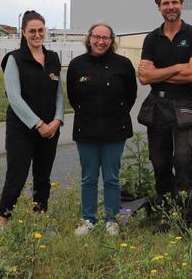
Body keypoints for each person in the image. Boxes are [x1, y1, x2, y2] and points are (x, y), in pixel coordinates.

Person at [137, 0, 192, 226]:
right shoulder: (151, 38)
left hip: (185, 104)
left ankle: (186, 219)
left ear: (181, 4)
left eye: (174, 2)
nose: (170, 7)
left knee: (183, 161)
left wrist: (159, 72)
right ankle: (166, 216)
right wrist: (178, 67)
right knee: (160, 163)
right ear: (159, 7)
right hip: (157, 105)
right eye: (165, 3)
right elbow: (144, 78)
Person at [0, 10, 64, 236]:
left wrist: (57, 120)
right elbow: (14, 97)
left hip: (50, 131)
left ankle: (40, 222)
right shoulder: (14, 59)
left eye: (40, 30)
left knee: (43, 178)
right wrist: (38, 124)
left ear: (46, 31)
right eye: (32, 31)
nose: (37, 35)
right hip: (21, 131)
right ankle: (2, 225)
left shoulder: (53, 58)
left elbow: (58, 94)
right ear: (24, 33)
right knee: (16, 177)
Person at [67, 22, 137, 236]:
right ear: (89, 39)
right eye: (96, 37)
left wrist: (114, 115)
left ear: (111, 41)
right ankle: (88, 219)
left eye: (105, 37)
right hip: (86, 131)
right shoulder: (77, 65)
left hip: (115, 131)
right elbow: (73, 96)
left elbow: (131, 95)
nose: (100, 41)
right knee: (88, 178)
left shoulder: (123, 65)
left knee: (111, 178)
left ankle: (111, 220)